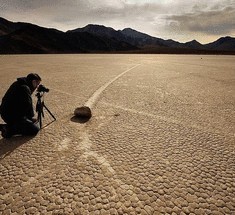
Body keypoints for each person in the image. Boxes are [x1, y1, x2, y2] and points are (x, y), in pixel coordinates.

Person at [0, 73, 41, 138]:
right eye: (37, 84)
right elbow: (28, 104)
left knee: (28, 121)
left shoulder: (18, 83)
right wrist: (30, 118)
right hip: (11, 116)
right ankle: (8, 129)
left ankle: (11, 125)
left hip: (4, 112)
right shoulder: (25, 88)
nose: (37, 86)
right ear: (33, 81)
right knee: (34, 129)